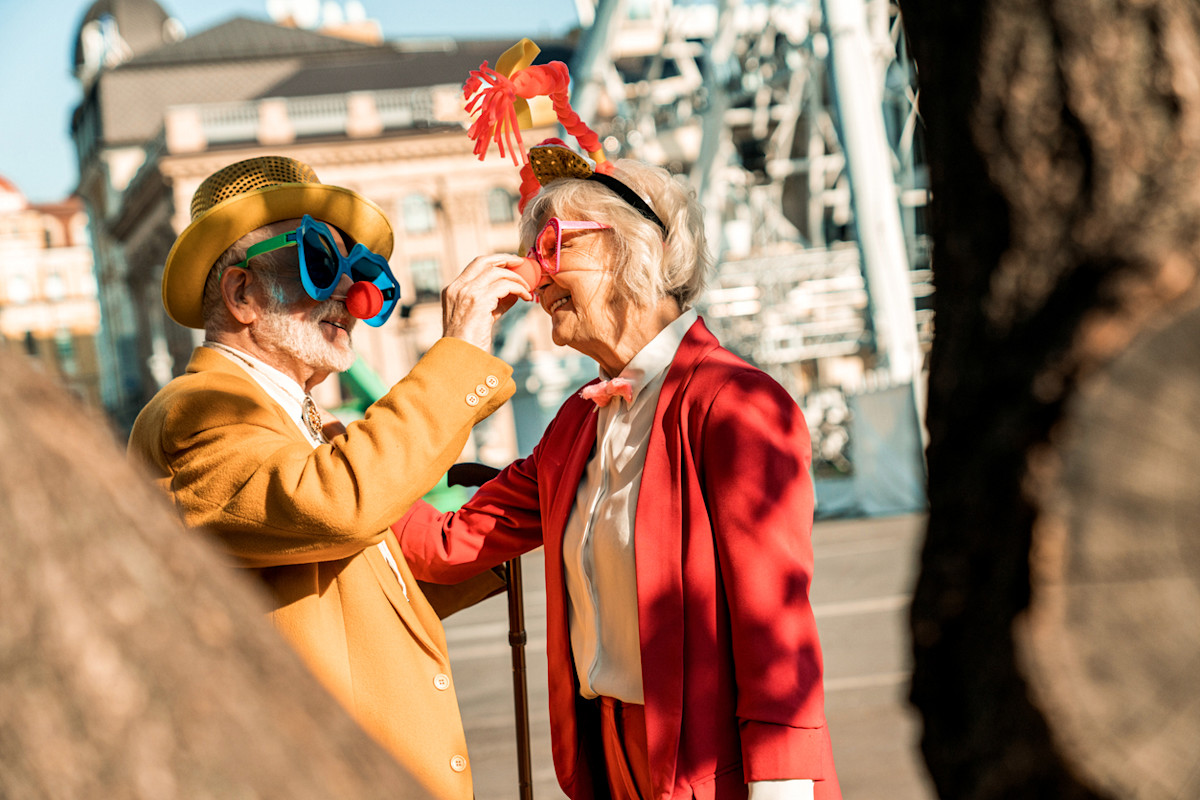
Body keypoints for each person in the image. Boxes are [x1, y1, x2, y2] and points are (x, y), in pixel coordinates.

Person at [393, 140, 841, 798]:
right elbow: (444, 545)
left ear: (638, 248)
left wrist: (783, 791)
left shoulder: (734, 404)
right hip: (607, 765)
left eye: (552, 245)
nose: (533, 280)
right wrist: (334, 455)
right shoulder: (577, 423)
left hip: (717, 773)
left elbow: (775, 629)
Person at [127, 155, 532, 800]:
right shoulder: (194, 412)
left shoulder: (302, 428)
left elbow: (410, 555)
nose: (352, 297)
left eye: (364, 274)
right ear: (243, 296)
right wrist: (458, 354)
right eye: (320, 265)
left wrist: (566, 471)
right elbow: (338, 505)